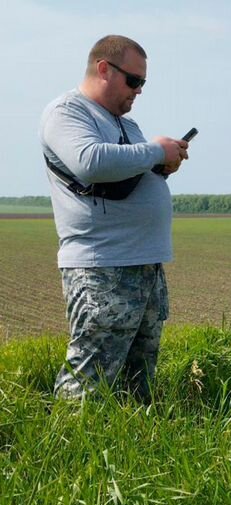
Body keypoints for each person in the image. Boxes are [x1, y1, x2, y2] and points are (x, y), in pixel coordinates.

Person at [39, 35, 190, 401]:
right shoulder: (67, 113)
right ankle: (70, 450)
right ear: (104, 69)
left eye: (143, 83)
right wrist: (155, 150)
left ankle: (130, 445)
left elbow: (127, 172)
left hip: (144, 265)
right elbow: (90, 162)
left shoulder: (127, 125)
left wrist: (162, 166)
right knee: (89, 377)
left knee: (138, 380)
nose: (138, 91)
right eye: (133, 80)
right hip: (103, 266)